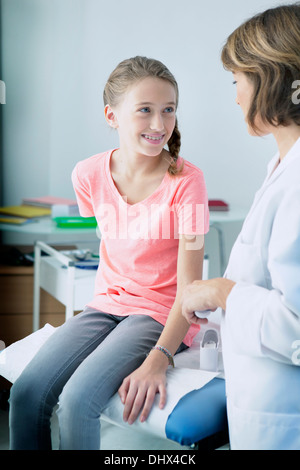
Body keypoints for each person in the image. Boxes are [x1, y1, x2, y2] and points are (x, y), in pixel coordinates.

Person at [9, 56, 209, 450]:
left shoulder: (189, 182)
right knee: (26, 395)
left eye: (169, 110)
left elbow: (189, 290)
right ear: (111, 115)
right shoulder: (87, 174)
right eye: (145, 111)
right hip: (105, 305)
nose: (159, 124)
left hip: (159, 313)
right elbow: (114, 238)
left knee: (77, 402)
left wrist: (159, 358)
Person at [181, 3, 300, 450]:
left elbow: (296, 325)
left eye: (237, 81)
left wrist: (222, 292)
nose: (235, 97)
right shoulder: (282, 167)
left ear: (270, 79)